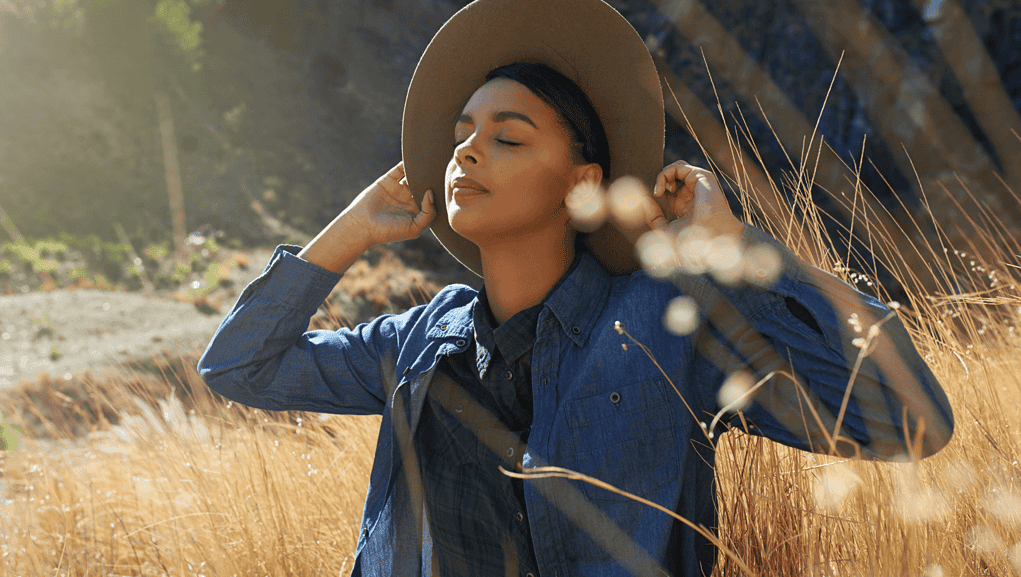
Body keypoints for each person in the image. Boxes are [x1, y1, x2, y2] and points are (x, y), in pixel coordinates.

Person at [198, 0, 954, 575]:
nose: (466, 152)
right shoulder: (418, 338)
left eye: (507, 136)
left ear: (583, 181)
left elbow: (909, 421)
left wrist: (739, 251)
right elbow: (239, 366)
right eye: (461, 134)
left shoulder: (661, 323)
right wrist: (350, 231)